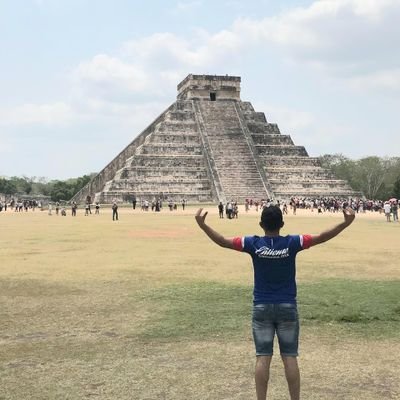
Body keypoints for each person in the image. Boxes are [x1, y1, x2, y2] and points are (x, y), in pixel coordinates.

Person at [195, 205, 355, 400]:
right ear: (282, 224)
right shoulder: (293, 242)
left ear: (261, 224)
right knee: (290, 357)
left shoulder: (252, 243)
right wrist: (345, 224)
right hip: (287, 307)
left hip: (261, 307)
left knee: (263, 356)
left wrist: (203, 226)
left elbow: (222, 242)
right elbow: (321, 236)